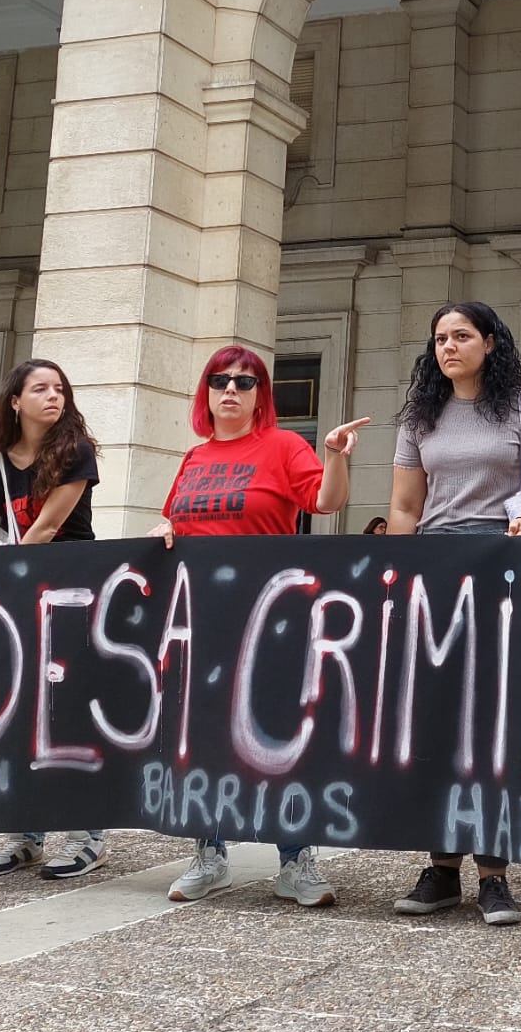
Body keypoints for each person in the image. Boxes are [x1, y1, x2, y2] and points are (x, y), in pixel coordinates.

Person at [150, 345, 365, 908]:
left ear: (260, 397)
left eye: (245, 383)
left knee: (279, 736)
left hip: (271, 617)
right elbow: (177, 521)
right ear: (206, 392)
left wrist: (337, 456)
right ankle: (209, 853)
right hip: (203, 620)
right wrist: (160, 528)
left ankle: (295, 860)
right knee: (203, 736)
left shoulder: (284, 446)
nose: (231, 390)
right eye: (220, 380)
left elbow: (326, 501)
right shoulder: (193, 458)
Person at [389, 301, 521, 926]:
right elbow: (406, 507)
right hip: (436, 569)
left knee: (492, 716)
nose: (449, 347)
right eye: (440, 338)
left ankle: (494, 873)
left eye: (462, 336)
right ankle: (441, 867)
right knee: (437, 714)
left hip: (504, 564)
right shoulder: (420, 413)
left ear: (490, 343)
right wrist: (399, 572)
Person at [0, 360, 111, 882]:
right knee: (20, 713)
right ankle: (24, 832)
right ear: (15, 401)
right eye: (40, 388)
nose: (53, 396)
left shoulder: (75, 453)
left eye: (60, 389)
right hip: (16, 599)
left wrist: (8, 581)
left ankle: (85, 832)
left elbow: (48, 527)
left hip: (72, 592)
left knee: (71, 713)